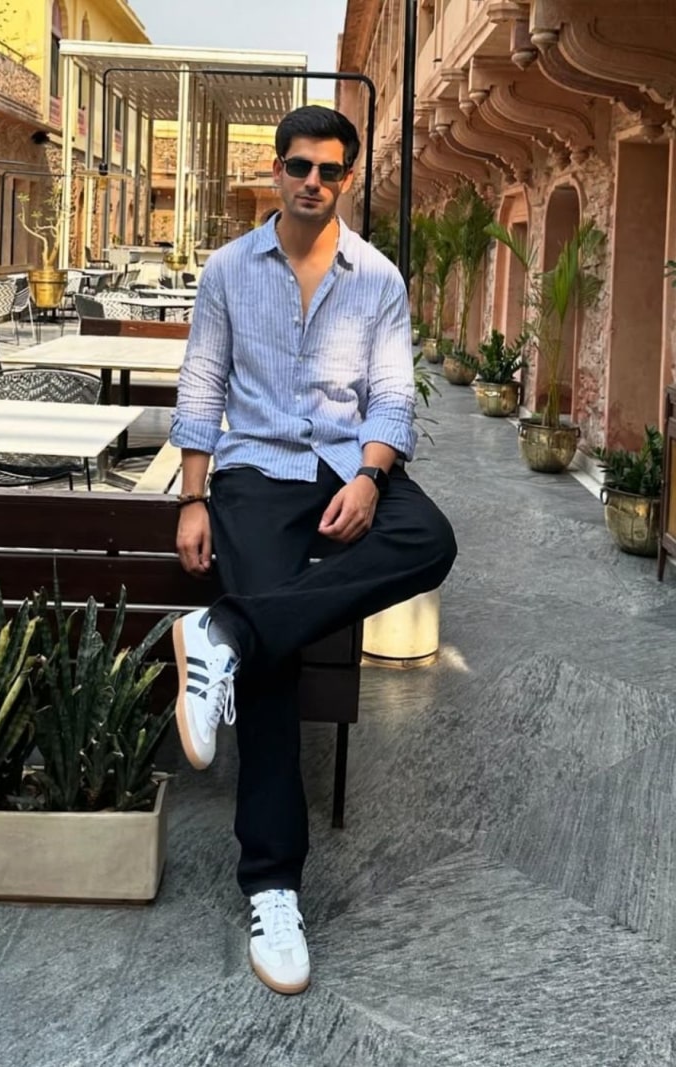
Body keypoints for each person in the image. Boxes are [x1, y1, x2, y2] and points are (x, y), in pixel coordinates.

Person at [169, 105, 457, 996]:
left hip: (341, 466)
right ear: (275, 168)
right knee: (279, 665)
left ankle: (226, 629)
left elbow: (393, 398)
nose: (312, 183)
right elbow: (204, 381)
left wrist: (371, 478)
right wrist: (192, 497)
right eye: (299, 166)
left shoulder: (376, 278)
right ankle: (273, 885)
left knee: (430, 537)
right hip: (256, 472)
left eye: (330, 171)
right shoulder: (227, 269)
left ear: (345, 179)